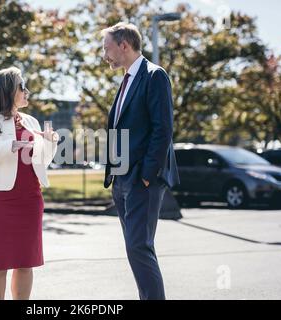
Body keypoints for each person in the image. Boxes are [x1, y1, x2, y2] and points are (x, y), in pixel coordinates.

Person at [102, 22, 180, 300]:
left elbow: (163, 129)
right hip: (122, 180)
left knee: (139, 247)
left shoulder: (154, 76)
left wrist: (146, 174)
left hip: (142, 180)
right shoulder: (126, 81)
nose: (104, 55)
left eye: (107, 48)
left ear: (124, 45)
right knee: (136, 248)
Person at [0, 67, 58, 300]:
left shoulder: (31, 121)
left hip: (29, 199)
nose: (27, 91)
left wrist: (49, 143)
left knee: (25, 263)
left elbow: (41, 160)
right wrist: (9, 146)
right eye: (22, 87)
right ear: (7, 90)